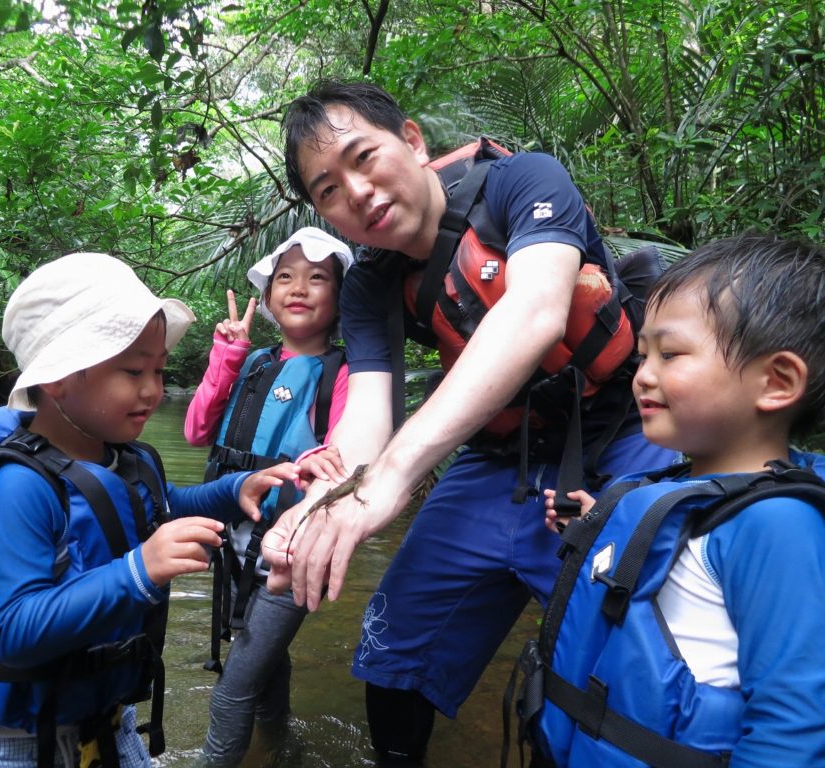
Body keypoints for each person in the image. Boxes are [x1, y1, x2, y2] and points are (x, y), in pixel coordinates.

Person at [259, 79, 677, 763]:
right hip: (497, 457)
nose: (356, 192)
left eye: (365, 158)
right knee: (394, 648)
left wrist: (395, 474)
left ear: (413, 140)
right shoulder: (368, 283)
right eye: (327, 189)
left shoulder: (523, 181)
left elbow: (536, 312)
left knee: (640, 656)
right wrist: (322, 501)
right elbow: (366, 415)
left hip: (620, 435)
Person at [0, 252, 299, 768]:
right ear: (57, 378)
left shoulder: (123, 457)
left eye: (159, 370)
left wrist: (236, 489)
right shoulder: (17, 488)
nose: (153, 390)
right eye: (132, 371)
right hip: (6, 743)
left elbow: (160, 508)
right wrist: (138, 570)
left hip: (100, 720)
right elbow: (14, 630)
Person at [526, 234, 825, 766]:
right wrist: (600, 527)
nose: (642, 374)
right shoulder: (687, 488)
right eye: (643, 355)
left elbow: (794, 726)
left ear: (776, 382)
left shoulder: (780, 527)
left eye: (671, 353)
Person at [184, 227, 354, 765]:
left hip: (290, 550)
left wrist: (307, 463)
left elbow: (346, 457)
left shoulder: (341, 374)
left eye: (317, 278)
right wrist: (225, 355)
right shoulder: (252, 362)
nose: (298, 288)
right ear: (270, 293)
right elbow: (196, 430)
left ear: (340, 296)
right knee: (264, 663)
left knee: (233, 687)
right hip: (236, 541)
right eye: (286, 277)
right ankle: (282, 750)